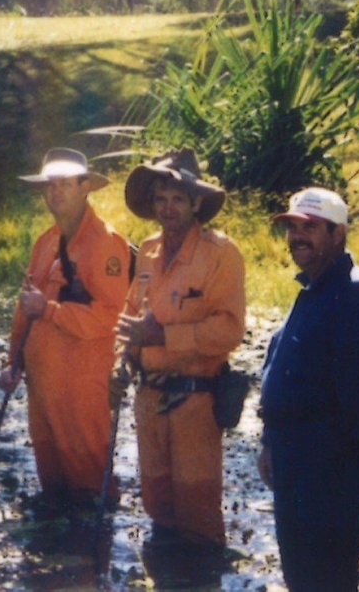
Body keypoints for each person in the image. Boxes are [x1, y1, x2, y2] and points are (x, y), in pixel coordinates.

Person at [257, 187, 359, 591]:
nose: (298, 236)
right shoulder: (313, 290)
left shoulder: (356, 294)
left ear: (338, 233)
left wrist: (348, 479)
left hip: (328, 470)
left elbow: (356, 399)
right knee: (300, 579)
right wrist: (270, 442)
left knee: (327, 581)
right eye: (293, 227)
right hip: (293, 461)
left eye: (310, 227)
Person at [117, 149, 246, 549]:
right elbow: (128, 319)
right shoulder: (148, 250)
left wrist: (164, 337)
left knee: (198, 517)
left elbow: (229, 330)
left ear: (196, 203)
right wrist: (118, 365)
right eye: (160, 199)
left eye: (177, 198)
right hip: (148, 401)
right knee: (157, 509)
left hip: (195, 406)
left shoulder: (221, 254)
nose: (168, 208)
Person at [0, 148, 132, 512]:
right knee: (52, 487)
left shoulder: (106, 243)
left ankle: (95, 561)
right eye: (49, 186)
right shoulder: (44, 242)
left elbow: (111, 316)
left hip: (83, 388)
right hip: (42, 388)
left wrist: (52, 310)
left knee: (90, 491)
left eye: (65, 185)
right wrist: (14, 364)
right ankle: (55, 564)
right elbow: (24, 310)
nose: (55, 193)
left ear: (85, 187)